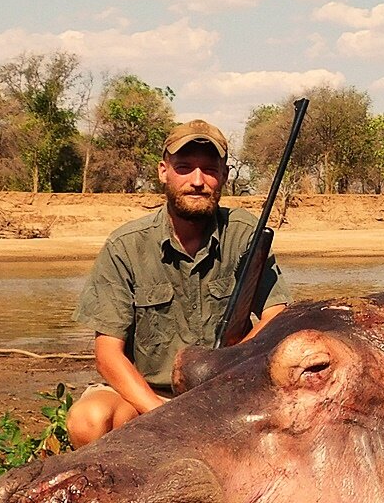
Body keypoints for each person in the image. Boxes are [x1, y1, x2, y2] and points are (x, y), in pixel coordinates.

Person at [66, 120, 290, 447]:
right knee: (89, 421)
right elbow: (107, 354)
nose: (197, 181)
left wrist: (232, 362)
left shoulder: (245, 234)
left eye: (209, 170)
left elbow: (277, 316)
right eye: (184, 168)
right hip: (146, 396)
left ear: (224, 176)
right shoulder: (126, 245)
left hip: (227, 389)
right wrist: (161, 412)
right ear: (163, 172)